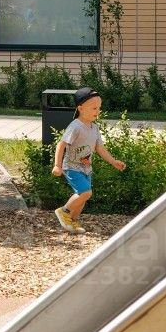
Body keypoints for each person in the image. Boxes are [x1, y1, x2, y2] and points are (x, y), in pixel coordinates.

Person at [52, 87, 126, 234]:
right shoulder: (75, 126)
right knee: (85, 192)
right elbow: (61, 145)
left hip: (86, 168)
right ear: (80, 108)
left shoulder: (94, 128)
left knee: (82, 198)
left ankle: (72, 222)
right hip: (72, 167)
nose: (97, 111)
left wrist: (113, 161)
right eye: (93, 108)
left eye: (99, 108)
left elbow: (100, 148)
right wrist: (57, 165)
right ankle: (64, 211)